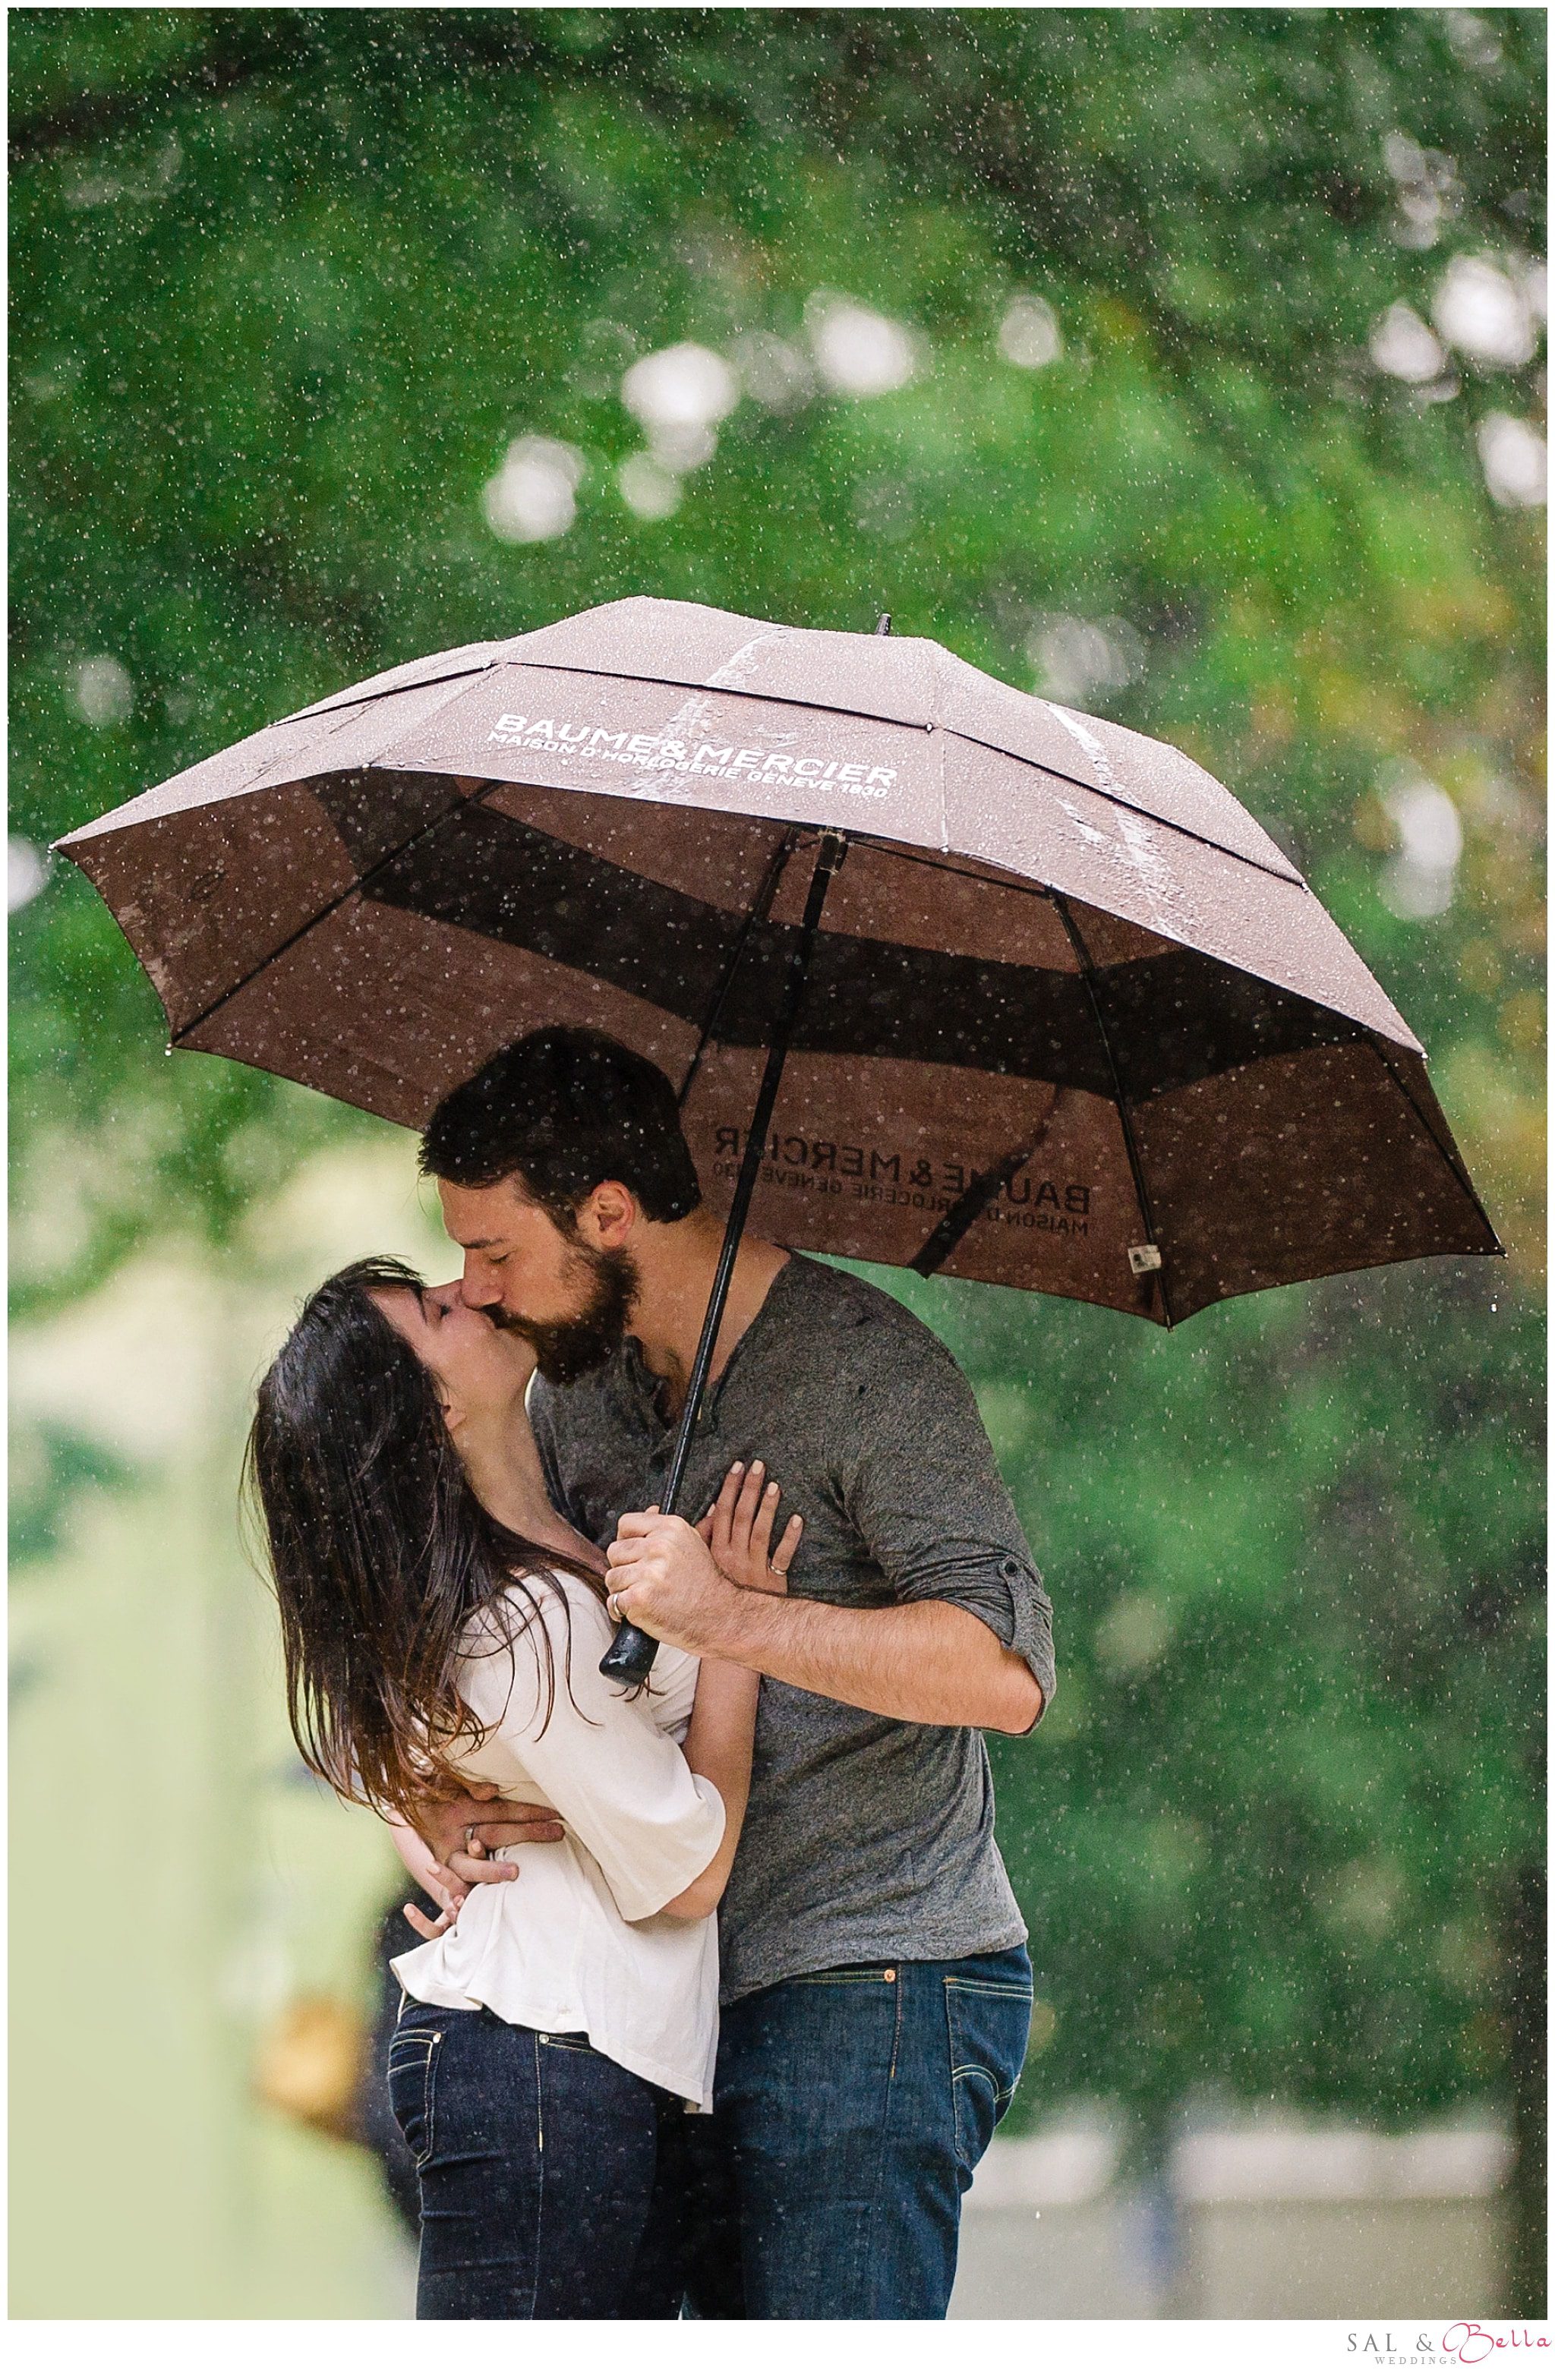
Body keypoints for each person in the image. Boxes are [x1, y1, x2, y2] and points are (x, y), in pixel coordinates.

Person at [414, 1026, 1056, 2321]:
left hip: (872, 1974)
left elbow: (1005, 1676)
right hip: (672, 1989)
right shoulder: (578, 1393)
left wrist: (737, 1621)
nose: (474, 1290)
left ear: (608, 1215)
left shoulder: (870, 1372)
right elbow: (514, 1652)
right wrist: (419, 1796)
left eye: (496, 1253)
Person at [244, 1255, 800, 2320]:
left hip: (578, 2068)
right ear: (439, 1406)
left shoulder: (529, 1566)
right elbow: (688, 1874)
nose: (474, 1292)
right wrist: (735, 1633)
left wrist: (421, 1818)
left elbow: (388, 1740)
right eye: (438, 1311)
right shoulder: (522, 1617)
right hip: (544, 2069)